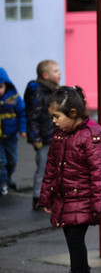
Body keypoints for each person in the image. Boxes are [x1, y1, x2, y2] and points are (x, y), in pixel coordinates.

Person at [39, 86, 101, 273]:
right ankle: (80, 269)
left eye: (57, 117)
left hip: (84, 199)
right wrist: (47, 197)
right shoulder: (59, 135)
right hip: (65, 199)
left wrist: (99, 204)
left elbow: (99, 174)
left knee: (74, 238)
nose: (54, 121)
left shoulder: (91, 136)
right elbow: (51, 169)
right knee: (72, 239)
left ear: (72, 113)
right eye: (52, 117)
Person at [24, 59, 61, 210]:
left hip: (54, 136)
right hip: (43, 139)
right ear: (45, 75)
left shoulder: (52, 90)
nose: (60, 73)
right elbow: (32, 116)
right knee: (43, 168)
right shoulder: (38, 92)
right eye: (56, 71)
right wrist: (35, 138)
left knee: (56, 168)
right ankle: (38, 197)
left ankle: (52, 196)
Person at [0, 67, 26, 196]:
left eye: (0, 87)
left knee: (12, 161)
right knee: (1, 161)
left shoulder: (14, 98)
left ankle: (8, 178)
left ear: (6, 86)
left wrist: (22, 129)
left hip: (10, 137)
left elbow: (22, 114)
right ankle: (2, 183)